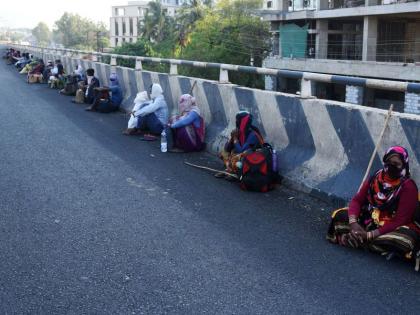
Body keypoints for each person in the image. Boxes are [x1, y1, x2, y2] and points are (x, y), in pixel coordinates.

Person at [327, 146, 420, 268]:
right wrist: (354, 223)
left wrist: (369, 235)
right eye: (389, 162)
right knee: (340, 216)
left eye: (396, 164)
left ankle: (357, 239)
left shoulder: (408, 187)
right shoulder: (377, 177)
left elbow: (400, 220)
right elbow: (357, 200)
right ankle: (365, 240)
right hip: (368, 220)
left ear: (404, 165)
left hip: (391, 227)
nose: (392, 166)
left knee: (405, 240)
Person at [216, 111, 264, 178]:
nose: (236, 122)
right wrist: (232, 138)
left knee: (237, 157)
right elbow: (227, 149)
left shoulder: (252, 135)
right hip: (240, 158)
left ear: (243, 122)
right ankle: (230, 170)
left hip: (251, 161)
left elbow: (241, 151)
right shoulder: (239, 132)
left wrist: (235, 139)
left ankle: (232, 172)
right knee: (223, 153)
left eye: (238, 120)